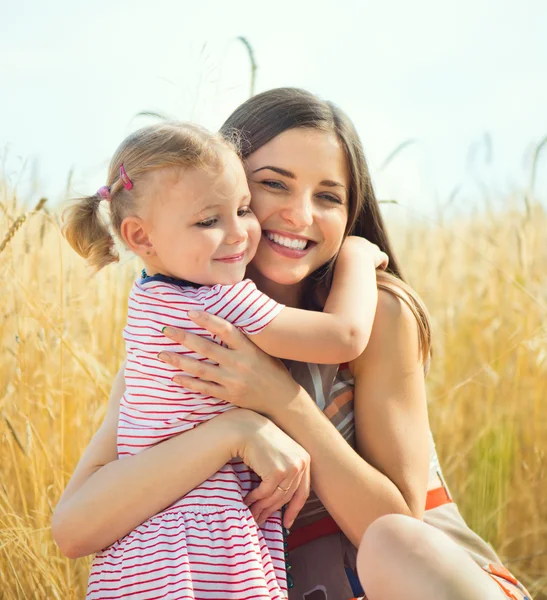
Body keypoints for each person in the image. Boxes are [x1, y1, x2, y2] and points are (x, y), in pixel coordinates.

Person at [53, 88, 532, 600]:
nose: (300, 215)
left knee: (394, 541)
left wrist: (277, 397)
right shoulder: (186, 338)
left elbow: (395, 530)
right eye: (273, 185)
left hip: (428, 581)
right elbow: (75, 528)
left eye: (328, 197)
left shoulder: (378, 316)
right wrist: (235, 429)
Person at [61, 121, 387, 599]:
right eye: (208, 221)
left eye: (242, 209)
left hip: (136, 556)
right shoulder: (218, 302)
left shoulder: (150, 301)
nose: (239, 234)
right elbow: (346, 334)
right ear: (141, 236)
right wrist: (357, 254)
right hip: (205, 547)